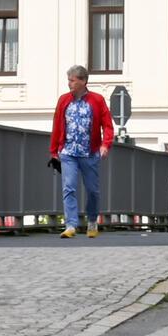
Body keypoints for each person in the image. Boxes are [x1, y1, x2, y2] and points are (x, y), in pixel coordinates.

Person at [50, 65, 114, 238]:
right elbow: (57, 124)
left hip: (90, 152)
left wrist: (105, 145)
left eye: (72, 80)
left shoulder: (97, 100)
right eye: (69, 80)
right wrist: (54, 150)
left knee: (92, 190)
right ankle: (71, 225)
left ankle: (92, 221)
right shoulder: (63, 100)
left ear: (83, 81)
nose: (69, 83)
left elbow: (107, 125)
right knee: (69, 187)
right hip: (68, 151)